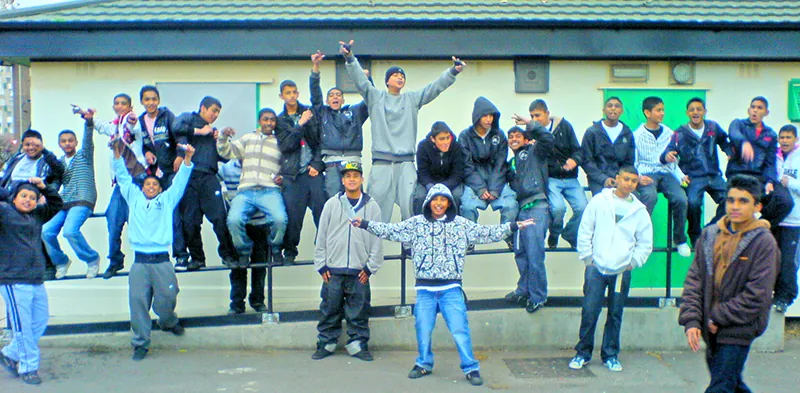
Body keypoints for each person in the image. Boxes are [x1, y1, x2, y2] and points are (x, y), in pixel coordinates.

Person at [351, 183, 534, 387]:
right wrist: (365, 224)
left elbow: (486, 233)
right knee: (423, 328)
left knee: (459, 329)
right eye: (435, 200)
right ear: (429, 202)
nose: (439, 204)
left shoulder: (460, 224)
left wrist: (513, 226)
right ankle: (423, 363)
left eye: (443, 200)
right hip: (425, 290)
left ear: (448, 203)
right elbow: (390, 230)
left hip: (451, 289)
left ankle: (471, 368)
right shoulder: (416, 224)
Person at [340, 39, 464, 223]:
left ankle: (410, 251)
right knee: (375, 213)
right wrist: (350, 57)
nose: (400, 78)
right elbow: (360, 81)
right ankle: (373, 251)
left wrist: (452, 71)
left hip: (406, 164)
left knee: (411, 211)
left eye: (402, 76)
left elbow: (434, 88)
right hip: (382, 163)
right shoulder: (375, 97)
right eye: (396, 75)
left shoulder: (411, 99)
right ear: (387, 80)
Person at [679, 174, 779, 392]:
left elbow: (757, 295)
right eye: (731, 200)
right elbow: (694, 281)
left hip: (740, 328)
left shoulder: (764, 242)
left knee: (720, 387)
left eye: (743, 201)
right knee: (732, 384)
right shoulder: (710, 234)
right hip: (710, 326)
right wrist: (693, 321)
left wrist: (717, 315)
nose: (735, 206)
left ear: (757, 205)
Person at [111, 139, 195, 361]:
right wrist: (117, 153)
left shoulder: (167, 200)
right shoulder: (133, 197)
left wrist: (187, 160)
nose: (150, 187)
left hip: (162, 261)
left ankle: (168, 321)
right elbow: (122, 176)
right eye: (147, 184)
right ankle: (140, 343)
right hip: (140, 262)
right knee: (138, 302)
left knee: (168, 296)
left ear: (159, 188)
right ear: (142, 187)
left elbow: (179, 183)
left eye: (155, 185)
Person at [569, 165, 653, 373]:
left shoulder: (639, 210)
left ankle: (611, 355)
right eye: (626, 179)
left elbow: (645, 242)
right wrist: (588, 258)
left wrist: (632, 263)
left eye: (634, 181)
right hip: (596, 268)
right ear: (616, 179)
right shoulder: (600, 201)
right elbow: (586, 228)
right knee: (589, 311)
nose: (629, 184)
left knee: (615, 313)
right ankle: (582, 353)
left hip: (621, 270)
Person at [312, 161, 383, 362]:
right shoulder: (332, 204)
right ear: (342, 180)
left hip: (359, 271)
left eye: (355, 176)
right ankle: (326, 343)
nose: (352, 179)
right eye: (347, 176)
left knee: (359, 310)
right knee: (329, 308)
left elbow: (377, 238)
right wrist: (321, 264)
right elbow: (322, 236)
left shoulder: (372, 206)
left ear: (361, 179)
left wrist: (370, 267)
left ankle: (358, 344)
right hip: (333, 270)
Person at [0, 177, 62, 385]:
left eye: (32, 197)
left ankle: (10, 353)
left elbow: (56, 204)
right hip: (13, 280)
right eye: (23, 196)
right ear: (14, 198)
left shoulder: (36, 216)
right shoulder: (5, 213)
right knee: (23, 326)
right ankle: (28, 367)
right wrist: (9, 190)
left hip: (36, 279)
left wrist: (45, 188)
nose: (28, 200)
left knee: (40, 320)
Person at [81, 94, 147, 279]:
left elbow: (132, 126)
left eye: (123, 103)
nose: (119, 106)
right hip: (120, 182)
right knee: (113, 218)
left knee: (138, 221)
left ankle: (144, 260)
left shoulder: (132, 122)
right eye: (116, 103)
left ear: (130, 106)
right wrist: (90, 117)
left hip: (136, 180)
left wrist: (132, 120)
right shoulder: (115, 126)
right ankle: (115, 260)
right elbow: (102, 127)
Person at [218, 107, 294, 268]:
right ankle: (244, 252)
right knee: (233, 220)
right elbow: (227, 152)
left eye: (272, 120)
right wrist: (223, 136)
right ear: (259, 121)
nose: (269, 123)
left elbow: (288, 166)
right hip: (245, 191)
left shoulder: (279, 142)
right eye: (265, 119)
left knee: (280, 219)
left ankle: (275, 249)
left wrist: (283, 178)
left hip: (270, 191)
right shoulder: (248, 138)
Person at [174, 96, 238, 271]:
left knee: (219, 217)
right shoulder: (188, 118)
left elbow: (224, 158)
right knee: (190, 221)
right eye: (213, 110)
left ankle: (228, 255)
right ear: (203, 108)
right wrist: (199, 132)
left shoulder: (214, 132)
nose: (215, 115)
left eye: (218, 112)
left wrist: (221, 139)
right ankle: (197, 258)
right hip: (188, 177)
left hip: (209, 178)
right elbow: (176, 128)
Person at [661, 97, 731, 248]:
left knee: (730, 200)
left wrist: (729, 152)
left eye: (699, 109)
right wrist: (667, 155)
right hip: (691, 177)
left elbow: (724, 141)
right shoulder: (680, 133)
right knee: (692, 203)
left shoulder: (713, 127)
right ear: (687, 113)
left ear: (704, 111)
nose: (696, 112)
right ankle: (695, 234)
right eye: (692, 110)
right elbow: (668, 151)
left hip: (714, 175)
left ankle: (711, 229)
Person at [43, 110, 100, 280]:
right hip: (65, 202)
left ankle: (91, 259)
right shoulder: (59, 163)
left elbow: (88, 140)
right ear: (59, 144)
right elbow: (55, 185)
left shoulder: (84, 155)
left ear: (75, 142)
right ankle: (61, 261)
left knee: (69, 231)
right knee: (45, 231)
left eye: (70, 140)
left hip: (83, 199)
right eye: (63, 141)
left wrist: (88, 122)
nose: (67, 144)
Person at [504, 119, 554, 313]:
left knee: (534, 254)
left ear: (526, 139)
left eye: (518, 135)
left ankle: (538, 296)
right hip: (521, 209)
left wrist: (530, 124)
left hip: (537, 206)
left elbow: (547, 139)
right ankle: (523, 289)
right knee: (521, 253)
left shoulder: (535, 153)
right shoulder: (511, 163)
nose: (514, 139)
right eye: (510, 137)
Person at [633, 96, 691, 257]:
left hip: (666, 173)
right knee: (649, 196)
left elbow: (673, 162)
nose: (662, 113)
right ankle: (640, 238)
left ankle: (680, 239)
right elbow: (634, 161)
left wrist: (681, 177)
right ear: (647, 112)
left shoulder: (669, 133)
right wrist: (638, 177)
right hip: (646, 173)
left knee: (681, 199)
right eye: (658, 110)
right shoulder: (637, 135)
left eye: (663, 110)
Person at [276, 80, 326, 265]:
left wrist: (317, 164)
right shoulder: (279, 120)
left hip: (312, 172)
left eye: (294, 92)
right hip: (292, 175)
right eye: (287, 92)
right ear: (281, 96)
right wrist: (300, 125)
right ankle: (289, 251)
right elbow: (286, 145)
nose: (292, 95)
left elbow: (320, 141)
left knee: (322, 210)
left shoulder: (309, 112)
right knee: (293, 217)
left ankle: (324, 248)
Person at [308, 51, 371, 198]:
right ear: (327, 101)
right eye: (331, 95)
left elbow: (370, 100)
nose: (335, 97)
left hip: (352, 160)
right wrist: (316, 66)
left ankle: (355, 222)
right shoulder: (322, 112)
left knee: (354, 197)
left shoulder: (354, 112)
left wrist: (367, 79)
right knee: (334, 199)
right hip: (331, 162)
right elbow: (315, 94)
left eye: (338, 95)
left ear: (343, 100)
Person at [459, 96, 518, 249]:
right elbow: (467, 165)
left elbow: (500, 164)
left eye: (491, 115)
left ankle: (507, 235)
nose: (488, 119)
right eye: (485, 115)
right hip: (474, 180)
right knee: (466, 207)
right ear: (477, 116)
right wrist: (480, 188)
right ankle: (470, 239)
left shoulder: (499, 135)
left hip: (496, 180)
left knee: (511, 205)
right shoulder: (465, 136)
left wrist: (493, 189)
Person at [726, 96, 794, 231]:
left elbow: (770, 162)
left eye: (759, 108)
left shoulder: (770, 134)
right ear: (748, 110)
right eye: (753, 107)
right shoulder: (738, 124)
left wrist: (770, 181)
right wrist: (744, 143)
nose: (755, 111)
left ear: (766, 113)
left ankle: (759, 226)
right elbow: (734, 134)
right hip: (738, 175)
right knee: (732, 206)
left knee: (785, 201)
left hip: (759, 177)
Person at [137, 85, 187, 268]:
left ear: (158, 100)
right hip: (152, 175)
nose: (150, 102)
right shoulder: (139, 121)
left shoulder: (167, 116)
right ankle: (153, 255)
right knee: (152, 216)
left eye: (154, 99)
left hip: (169, 173)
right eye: (147, 99)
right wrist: (146, 153)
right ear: (142, 101)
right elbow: (137, 144)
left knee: (173, 214)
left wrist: (180, 156)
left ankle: (181, 255)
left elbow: (180, 137)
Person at [529, 99, 586, 249]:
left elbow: (578, 150)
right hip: (551, 178)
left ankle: (570, 233)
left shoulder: (564, 126)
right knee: (558, 208)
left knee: (583, 208)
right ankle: (554, 233)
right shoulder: (531, 132)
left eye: (538, 115)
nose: (535, 119)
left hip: (570, 177)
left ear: (547, 113)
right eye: (532, 116)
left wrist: (575, 160)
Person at [217, 159, 270, 315]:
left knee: (260, 266)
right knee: (238, 267)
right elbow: (211, 181)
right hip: (239, 227)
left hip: (260, 224)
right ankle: (237, 304)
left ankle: (258, 300)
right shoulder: (226, 169)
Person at [581, 97, 635, 196]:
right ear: (604, 110)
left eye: (617, 106)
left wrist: (621, 179)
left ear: (621, 111)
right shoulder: (592, 132)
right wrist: (603, 179)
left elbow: (629, 161)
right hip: (598, 180)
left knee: (634, 199)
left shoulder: (627, 133)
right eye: (609, 106)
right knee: (604, 201)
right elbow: (586, 160)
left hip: (621, 180)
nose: (613, 108)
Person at [773, 124, 800, 313]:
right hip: (775, 219)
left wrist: (789, 182)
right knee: (772, 260)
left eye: (788, 137)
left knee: (788, 263)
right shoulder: (774, 157)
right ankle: (773, 296)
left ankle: (785, 298)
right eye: (781, 137)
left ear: (796, 139)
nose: (784, 141)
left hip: (794, 221)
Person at [412, 121, 465, 215]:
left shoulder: (456, 147)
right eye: (441, 139)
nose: (446, 142)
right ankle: (420, 226)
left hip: (451, 182)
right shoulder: (423, 146)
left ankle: (454, 226)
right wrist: (430, 186)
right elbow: (423, 172)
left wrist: (444, 187)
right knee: (420, 197)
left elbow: (458, 173)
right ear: (433, 139)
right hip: (428, 182)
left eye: (448, 138)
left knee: (457, 196)